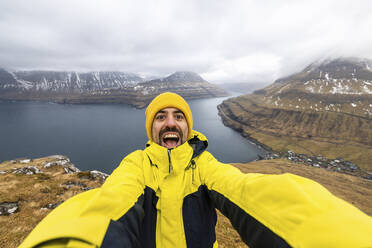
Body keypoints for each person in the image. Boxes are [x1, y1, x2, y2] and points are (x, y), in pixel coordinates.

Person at [20, 92, 372, 248]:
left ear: (188, 127)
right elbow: (108, 205)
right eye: (161, 116)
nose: (170, 123)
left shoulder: (205, 166)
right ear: (151, 129)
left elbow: (248, 191)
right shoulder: (136, 166)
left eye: (178, 117)